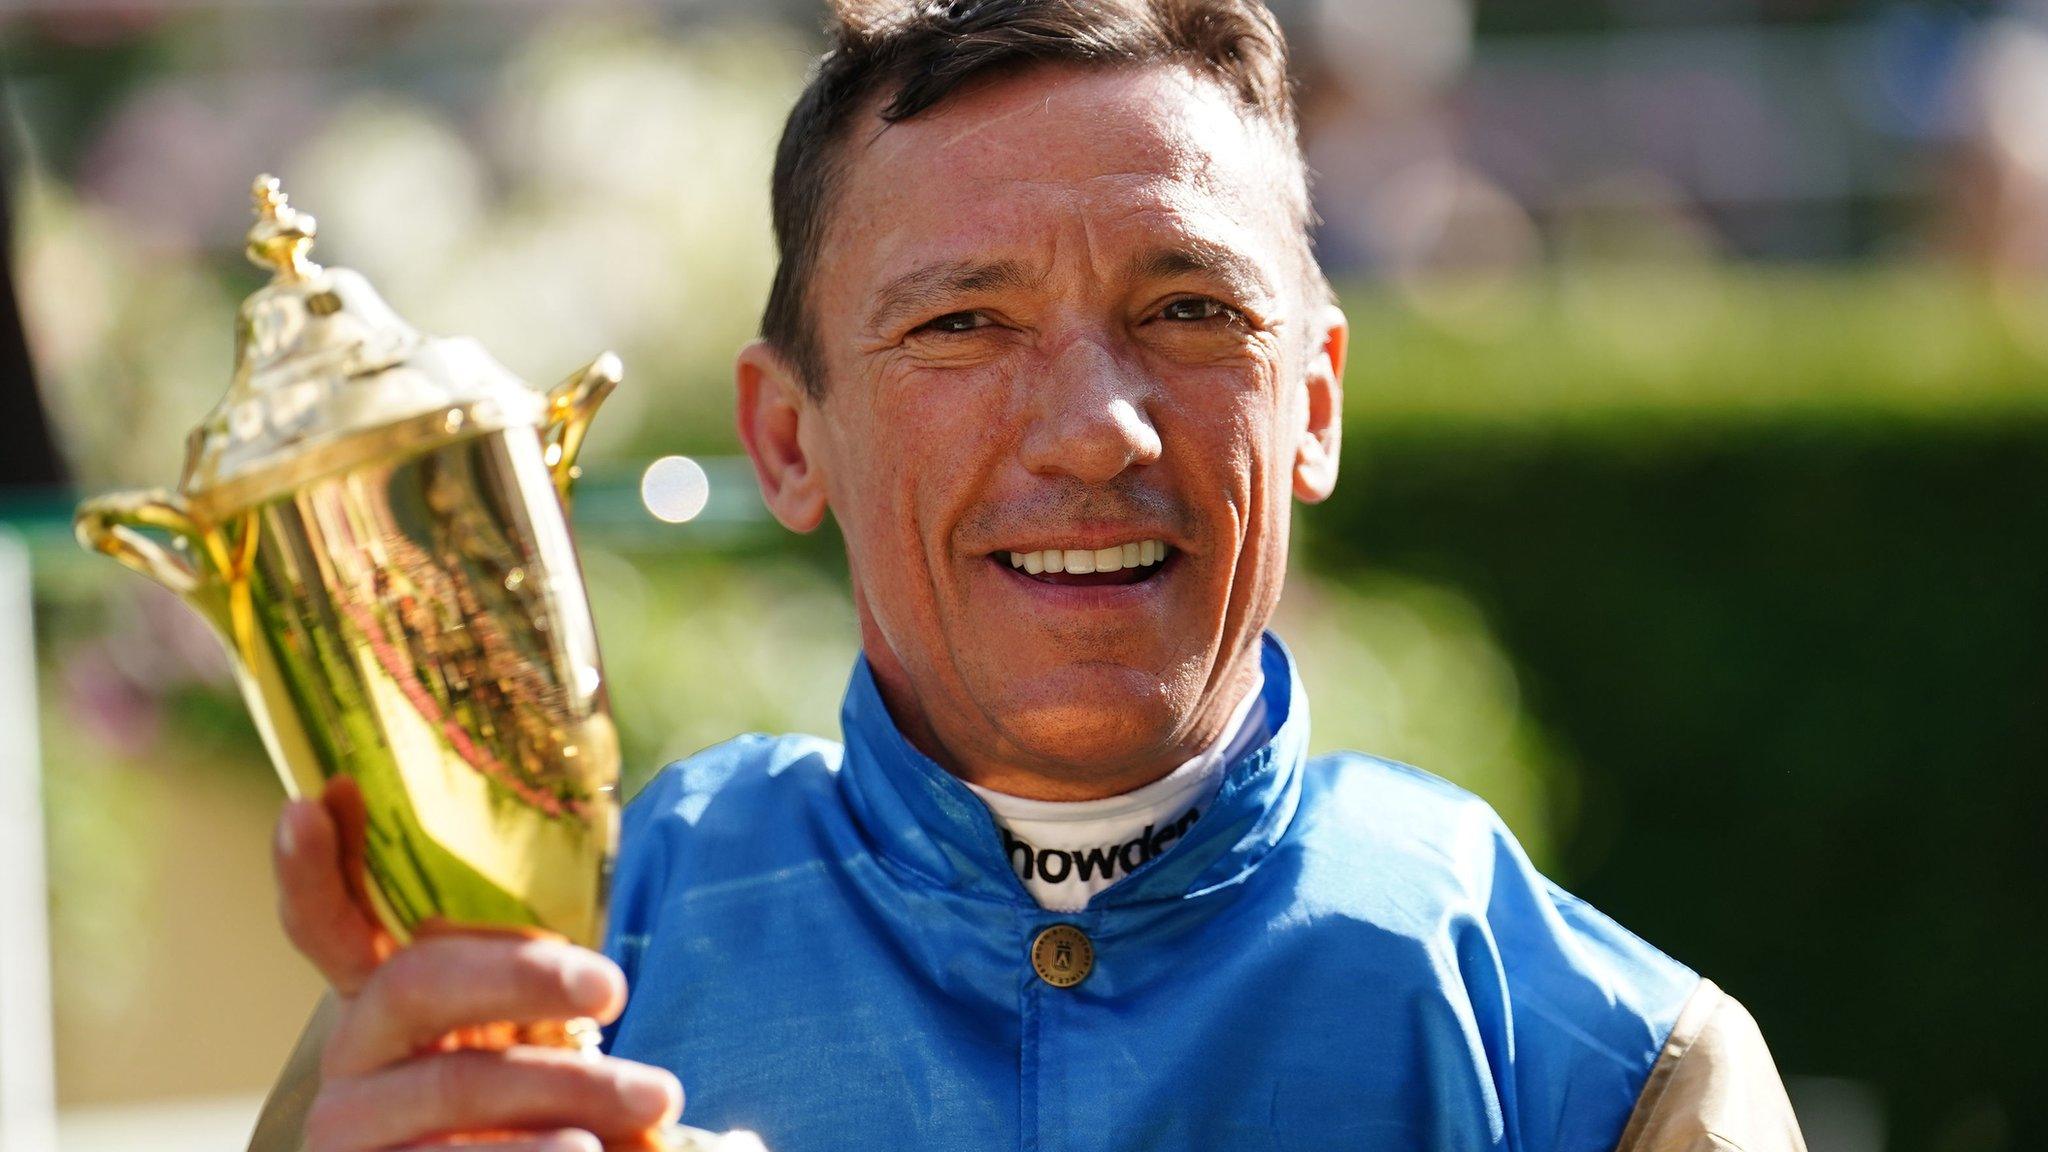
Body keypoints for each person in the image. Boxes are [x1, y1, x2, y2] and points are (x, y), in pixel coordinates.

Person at [253, 1, 1807, 1149]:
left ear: (1315, 403)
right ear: (788, 438)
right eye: (962, 326)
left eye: (1192, 310)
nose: (1092, 433)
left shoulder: (1605, 1072)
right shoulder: (536, 996)